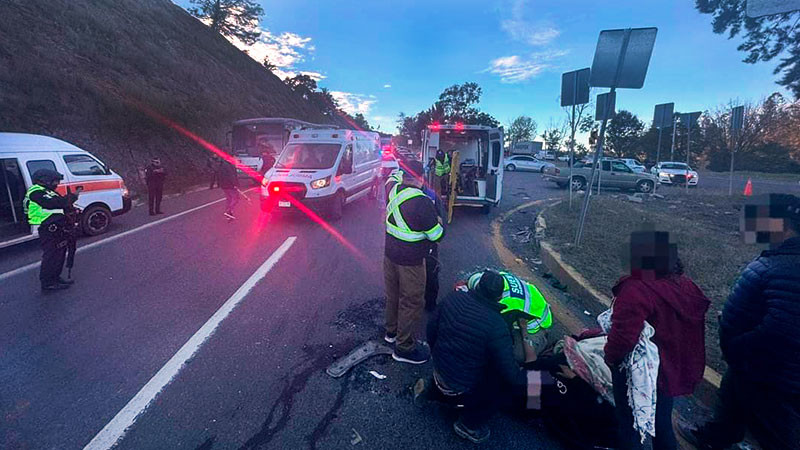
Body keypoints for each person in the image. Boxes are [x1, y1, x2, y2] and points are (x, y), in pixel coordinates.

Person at [679, 194, 800, 450]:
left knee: (777, 434)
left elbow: (782, 329)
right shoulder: (782, 257)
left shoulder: (789, 266)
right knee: (732, 399)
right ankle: (715, 437)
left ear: (785, 225)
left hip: (769, 372)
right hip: (750, 365)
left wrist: (737, 346)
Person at [604, 230, 710, 450]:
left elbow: (623, 336)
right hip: (671, 368)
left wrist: (611, 358)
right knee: (662, 422)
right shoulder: (686, 286)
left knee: (630, 424)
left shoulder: (636, 289)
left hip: (640, 372)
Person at [422, 269, 547, 443]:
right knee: (501, 384)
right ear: (498, 297)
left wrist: (439, 354)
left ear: (478, 286)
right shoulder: (497, 325)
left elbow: (431, 329)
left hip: (439, 369)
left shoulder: (454, 297)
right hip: (460, 385)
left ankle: (431, 390)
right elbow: (511, 375)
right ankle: (469, 425)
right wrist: (535, 379)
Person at [384, 160, 444, 364]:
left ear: (403, 175)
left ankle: (391, 332)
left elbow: (392, 177)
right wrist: (439, 223)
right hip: (411, 262)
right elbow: (436, 236)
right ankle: (404, 347)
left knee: (393, 295)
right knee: (411, 301)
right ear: (421, 178)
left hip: (390, 256)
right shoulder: (423, 202)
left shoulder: (392, 189)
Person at [466, 270, 553, 361]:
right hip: (531, 302)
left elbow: (497, 335)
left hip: (536, 323)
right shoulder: (497, 280)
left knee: (516, 357)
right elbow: (473, 280)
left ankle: (542, 339)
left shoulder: (506, 307)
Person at [23, 169, 79, 291]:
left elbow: (61, 204)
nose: (56, 184)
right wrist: (70, 198)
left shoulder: (48, 191)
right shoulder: (36, 192)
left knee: (60, 254)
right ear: (45, 180)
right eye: (55, 181)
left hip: (58, 227)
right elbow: (53, 203)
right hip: (48, 229)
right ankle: (47, 282)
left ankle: (55, 277)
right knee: (51, 256)